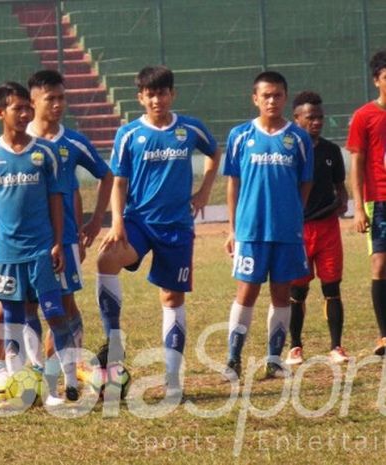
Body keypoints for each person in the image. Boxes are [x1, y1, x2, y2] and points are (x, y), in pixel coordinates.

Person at [0, 70, 113, 406]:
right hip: (14, 244)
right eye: (49, 99)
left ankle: (67, 371)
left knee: (62, 305)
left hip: (61, 239)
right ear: (32, 101)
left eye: (62, 98)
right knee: (11, 308)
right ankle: (15, 373)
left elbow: (104, 174)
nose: (57, 105)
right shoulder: (13, 140)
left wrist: (96, 220)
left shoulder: (70, 142)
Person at [95, 65, 220, 398]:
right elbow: (118, 181)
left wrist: (205, 191)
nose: (157, 99)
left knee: (171, 297)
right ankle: (115, 345)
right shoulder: (129, 134)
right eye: (150, 94)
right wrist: (117, 221)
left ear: (172, 94)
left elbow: (214, 152)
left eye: (163, 92)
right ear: (140, 97)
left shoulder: (190, 129)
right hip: (137, 222)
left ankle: (173, 380)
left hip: (177, 227)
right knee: (105, 260)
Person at [0, 81, 79, 403]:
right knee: (13, 321)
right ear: (0, 113)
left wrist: (59, 243)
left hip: (41, 251)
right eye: (16, 108)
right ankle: (24, 388)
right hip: (7, 254)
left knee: (55, 314)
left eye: (27, 108)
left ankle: (63, 384)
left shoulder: (44, 153)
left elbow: (56, 201)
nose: (24, 113)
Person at [223, 71, 313, 381]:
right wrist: (233, 228)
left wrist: (294, 215)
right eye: (266, 95)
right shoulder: (239, 136)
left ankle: (274, 361)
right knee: (246, 293)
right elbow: (232, 184)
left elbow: (305, 182)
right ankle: (232, 359)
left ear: (285, 98)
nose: (271, 100)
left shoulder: (298, 138)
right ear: (255, 99)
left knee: (280, 293)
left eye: (277, 95)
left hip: (286, 232)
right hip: (251, 230)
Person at [285, 91, 349, 366]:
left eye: (320, 117)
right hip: (298, 232)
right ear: (296, 119)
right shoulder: (288, 151)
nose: (317, 122)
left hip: (327, 230)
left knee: (332, 287)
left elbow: (340, 189)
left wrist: (342, 203)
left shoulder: (331, 151)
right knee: (297, 291)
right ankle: (295, 347)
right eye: (311, 117)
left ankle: (336, 346)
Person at [346, 49, 386, 356]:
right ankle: (385, 335)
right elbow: (357, 163)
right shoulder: (365, 116)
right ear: (377, 80)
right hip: (379, 201)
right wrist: (358, 206)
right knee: (380, 264)